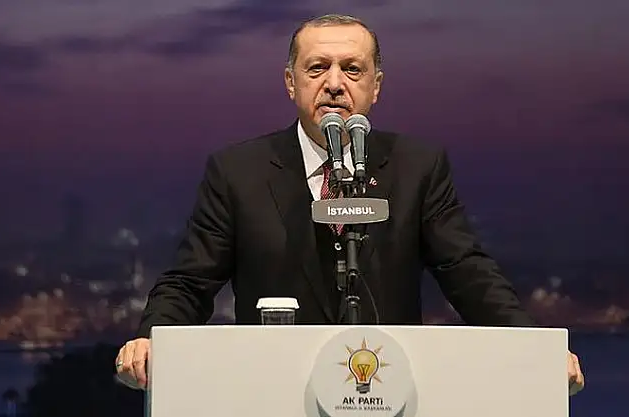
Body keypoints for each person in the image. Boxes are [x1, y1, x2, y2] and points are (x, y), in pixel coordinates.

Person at [115, 14, 585, 395]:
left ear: (376, 86)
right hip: (272, 390)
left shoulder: (417, 167)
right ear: (291, 83)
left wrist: (534, 349)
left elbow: (467, 271)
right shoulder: (238, 171)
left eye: (352, 70)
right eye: (317, 68)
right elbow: (190, 280)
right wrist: (152, 338)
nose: (335, 84)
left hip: (390, 390)